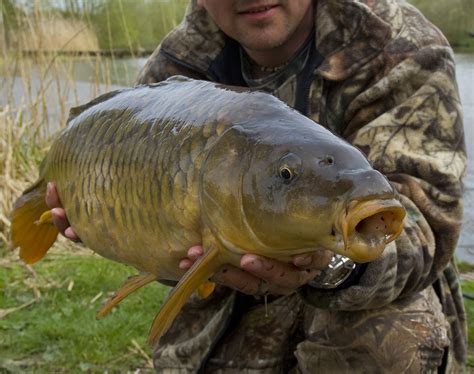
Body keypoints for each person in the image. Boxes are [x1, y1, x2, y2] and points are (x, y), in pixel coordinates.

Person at [46, 0, 467, 372]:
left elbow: (426, 217)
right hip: (224, 304)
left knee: (390, 342)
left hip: (365, 295)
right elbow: (164, 241)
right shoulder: (175, 69)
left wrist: (331, 265)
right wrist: (103, 224)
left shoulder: (397, 44)